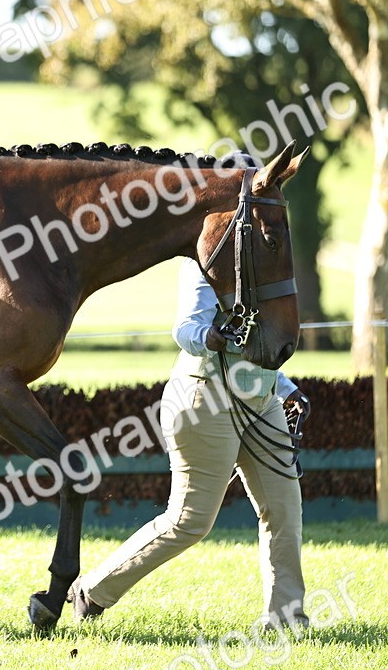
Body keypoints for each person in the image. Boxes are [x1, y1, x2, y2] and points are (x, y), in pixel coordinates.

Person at [68, 257, 311, 628]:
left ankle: (286, 617)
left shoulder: (269, 263)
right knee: (189, 521)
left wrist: (287, 387)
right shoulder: (207, 262)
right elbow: (186, 328)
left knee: (284, 509)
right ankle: (92, 590)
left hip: (261, 400)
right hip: (204, 397)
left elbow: (261, 345)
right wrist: (209, 337)